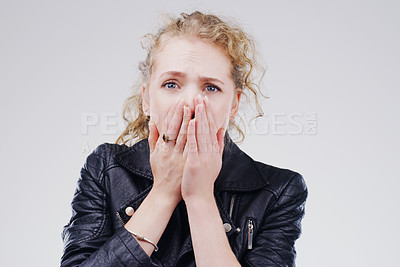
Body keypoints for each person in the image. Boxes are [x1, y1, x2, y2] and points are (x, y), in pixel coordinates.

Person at [61, 11, 308, 267]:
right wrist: (164, 191)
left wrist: (200, 196)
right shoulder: (106, 168)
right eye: (171, 84)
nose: (190, 102)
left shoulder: (280, 190)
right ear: (147, 99)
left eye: (211, 88)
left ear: (234, 104)